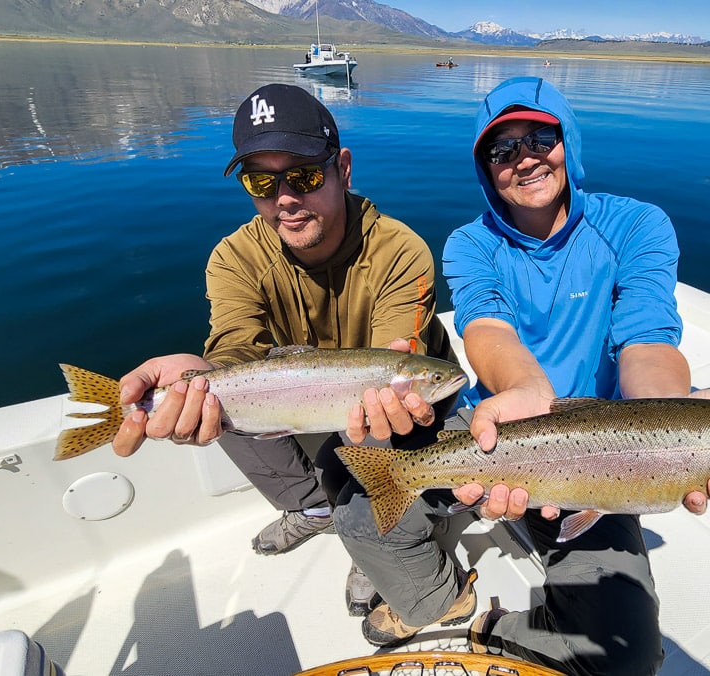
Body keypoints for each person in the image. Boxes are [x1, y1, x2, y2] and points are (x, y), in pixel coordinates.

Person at [333, 77, 710, 675]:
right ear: (486, 168)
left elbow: (645, 337)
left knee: (627, 661)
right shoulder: (469, 243)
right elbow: (487, 330)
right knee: (360, 512)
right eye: (502, 150)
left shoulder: (637, 225)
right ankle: (437, 596)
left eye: (541, 138)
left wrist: (673, 419)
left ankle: (497, 626)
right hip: (496, 426)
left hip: (612, 450)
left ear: (568, 140)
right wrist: (527, 392)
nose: (526, 158)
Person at [111, 83, 457, 612]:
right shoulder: (233, 258)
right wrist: (196, 376)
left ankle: (370, 538)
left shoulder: (400, 250)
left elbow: (399, 350)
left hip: (398, 409)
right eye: (261, 182)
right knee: (215, 401)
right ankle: (314, 508)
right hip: (307, 394)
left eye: (303, 175)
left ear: (342, 168)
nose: (285, 199)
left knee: (381, 432)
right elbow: (231, 354)